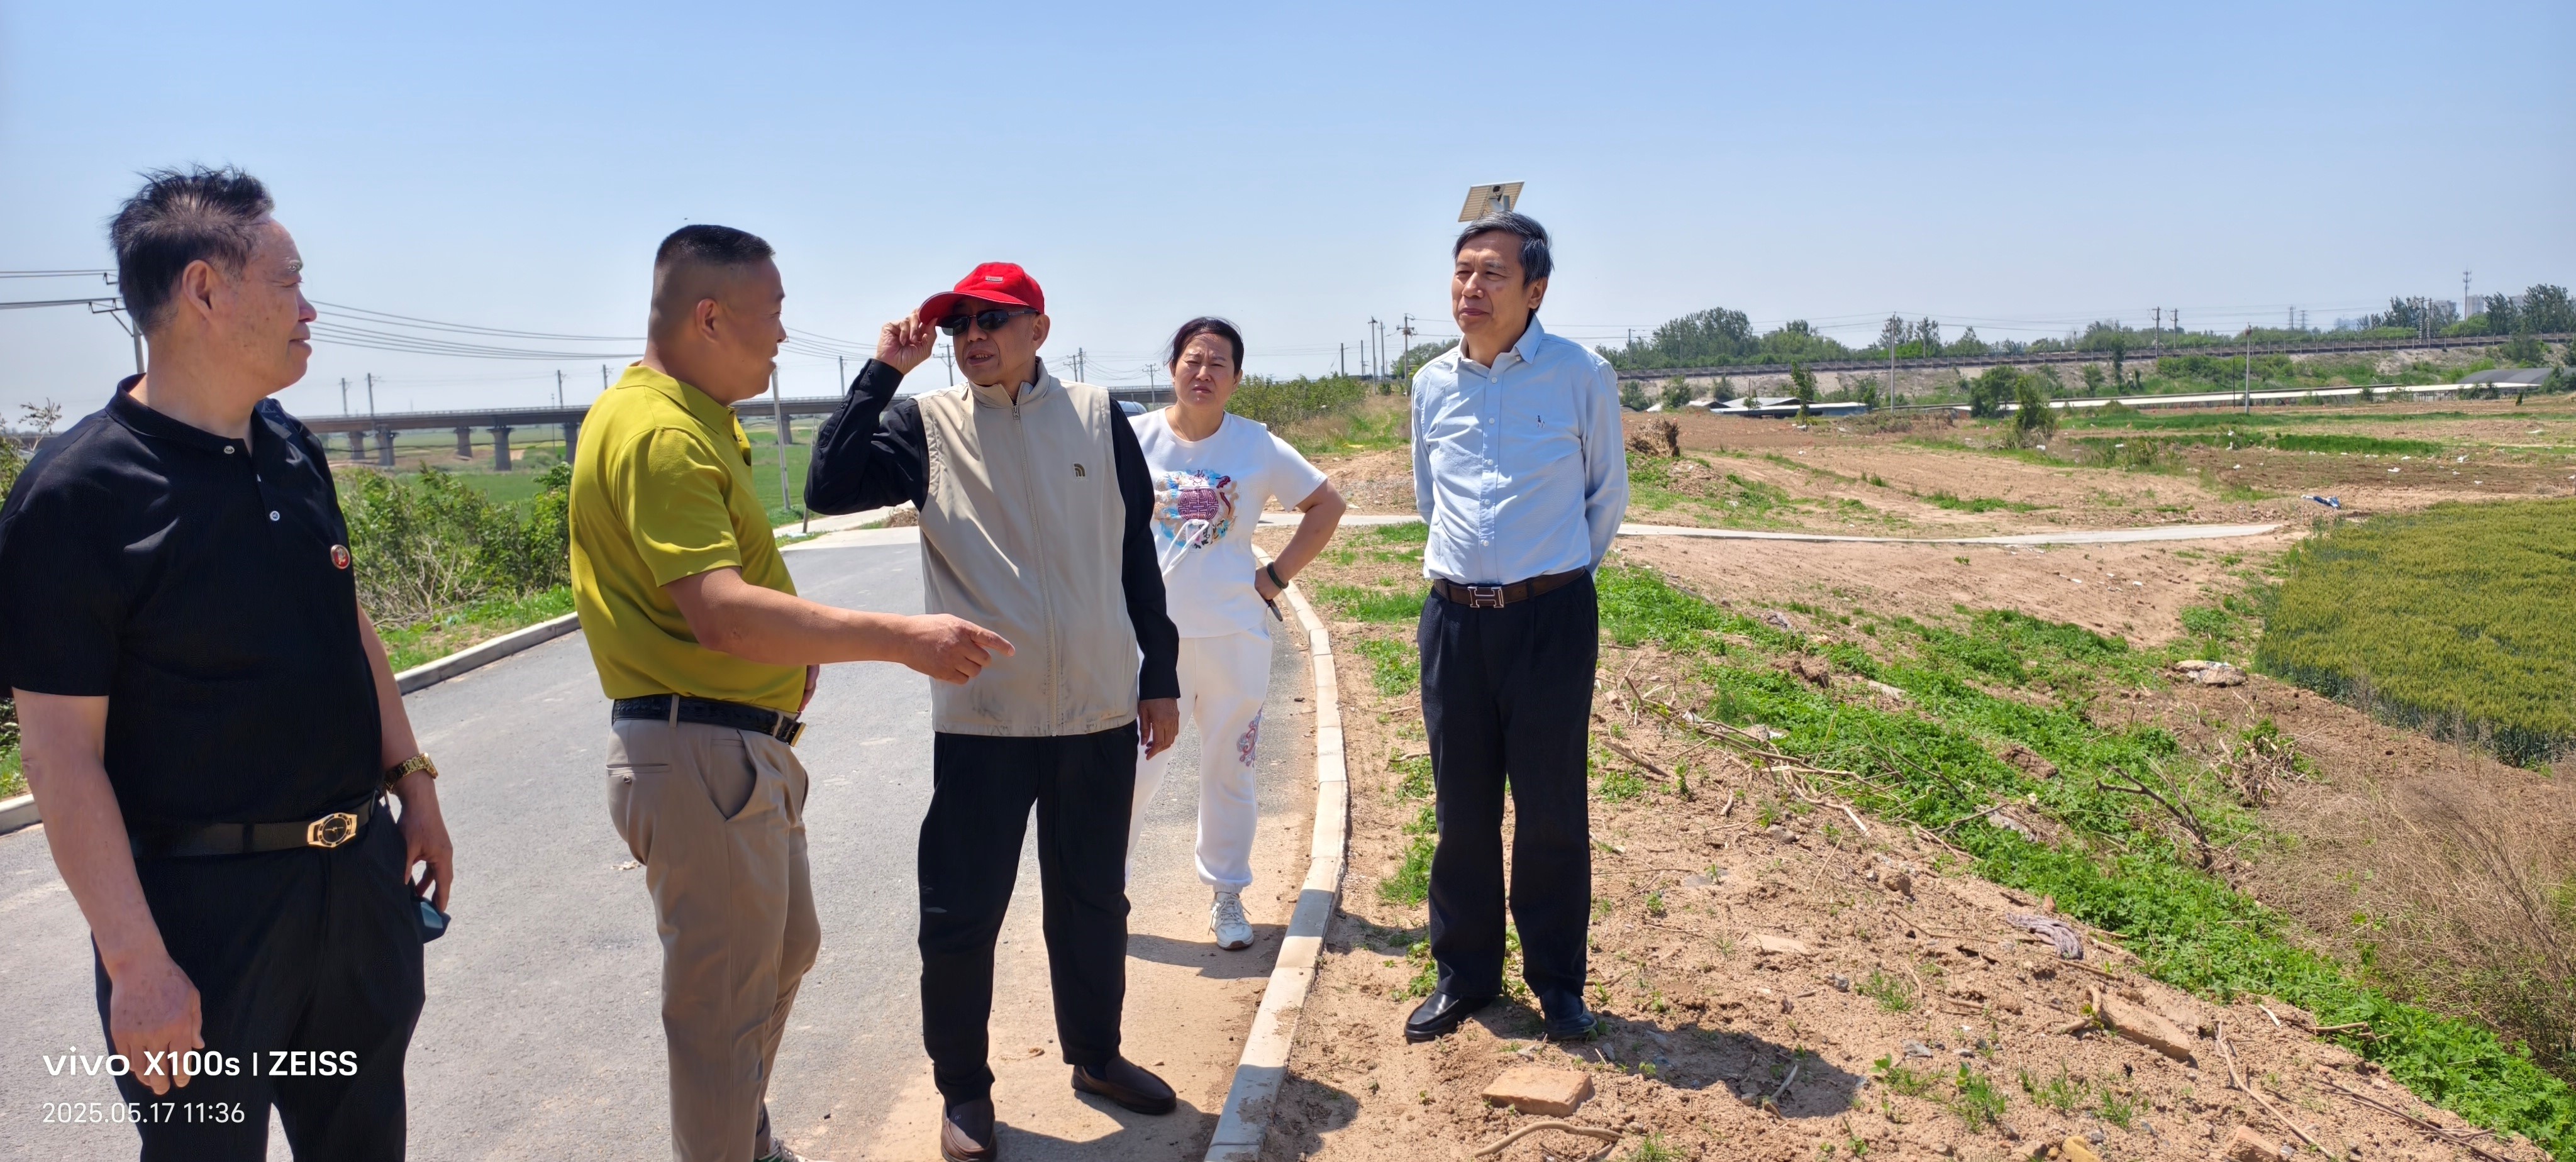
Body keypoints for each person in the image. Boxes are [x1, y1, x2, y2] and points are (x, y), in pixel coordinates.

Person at [0, 167, 450, 1159]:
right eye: (290, 282)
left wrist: (412, 782)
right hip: (200, 921)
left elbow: (349, 625)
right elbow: (59, 754)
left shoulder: (288, 446)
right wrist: (136, 963)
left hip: (355, 890)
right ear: (204, 290)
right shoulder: (79, 497)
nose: (310, 308)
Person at [569, 225, 1011, 1162]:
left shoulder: (693, 416)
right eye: (772, 314)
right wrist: (902, 639)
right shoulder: (660, 433)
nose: (780, 335)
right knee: (720, 1011)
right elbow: (722, 613)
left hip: (732, 750)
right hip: (699, 757)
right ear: (709, 316)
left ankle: (743, 1134)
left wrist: (791, 658)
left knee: (784, 949)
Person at [802, 262, 1182, 1162]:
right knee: (961, 914)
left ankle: (1097, 1056)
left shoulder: (1099, 417)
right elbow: (827, 487)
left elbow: (1133, 552)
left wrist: (1158, 673)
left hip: (1095, 709)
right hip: (985, 721)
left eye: (991, 320)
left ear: (1037, 330)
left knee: (1093, 901)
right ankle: (965, 1091)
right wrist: (883, 372)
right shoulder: (924, 426)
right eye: (958, 324)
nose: (972, 336)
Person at [1402, 212, 1628, 1044]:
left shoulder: (1580, 375)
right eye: (1463, 271)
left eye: (1492, 273)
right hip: (1455, 623)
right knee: (1461, 809)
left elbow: (1605, 496)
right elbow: (1430, 497)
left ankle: (1558, 983)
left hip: (1550, 620)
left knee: (1551, 808)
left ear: (1535, 290)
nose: (1472, 288)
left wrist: (1550, 581)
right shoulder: (1431, 384)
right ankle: (1464, 975)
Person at [1125, 317, 1345, 949]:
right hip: (1148, 642)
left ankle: (1227, 894)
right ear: (1172, 368)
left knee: (1230, 769)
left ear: (1237, 378)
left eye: (1218, 363)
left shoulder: (1258, 445)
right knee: (1130, 771)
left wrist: (1273, 579)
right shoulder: (1132, 440)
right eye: (1193, 360)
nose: (1203, 373)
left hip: (1234, 637)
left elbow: (1327, 505)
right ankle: (1104, 894)